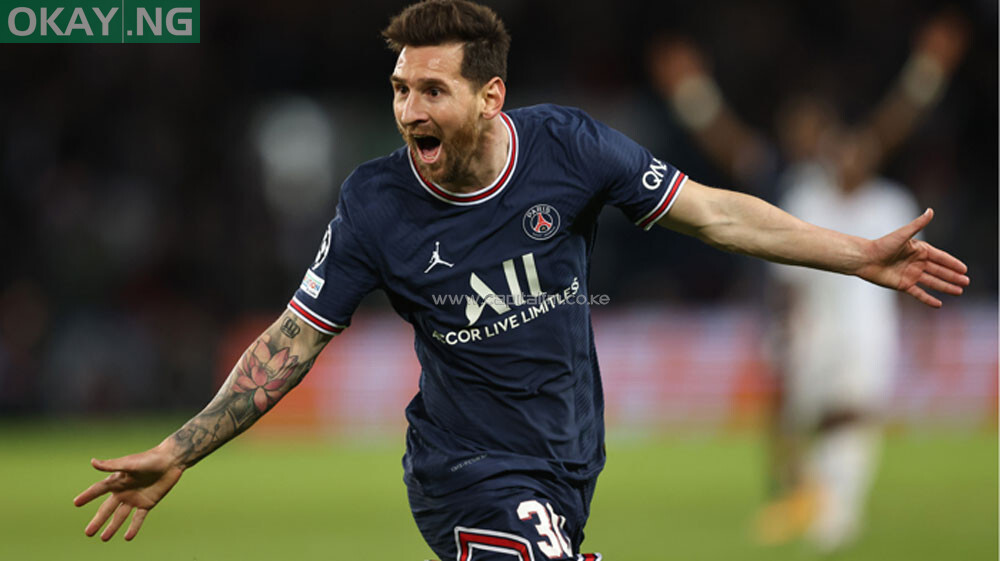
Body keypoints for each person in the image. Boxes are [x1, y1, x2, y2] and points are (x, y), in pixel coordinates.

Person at [74, 1, 970, 559]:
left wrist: (856, 254)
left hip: (569, 463)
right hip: (467, 471)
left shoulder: (570, 149)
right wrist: (180, 448)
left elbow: (717, 213)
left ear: (490, 98)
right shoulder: (374, 202)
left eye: (433, 90)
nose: (409, 110)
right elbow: (291, 339)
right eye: (399, 89)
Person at [648, 11, 968, 551]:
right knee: (788, 416)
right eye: (793, 128)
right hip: (799, 318)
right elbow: (726, 143)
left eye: (809, 128)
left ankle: (828, 506)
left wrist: (928, 70)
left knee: (846, 411)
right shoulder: (787, 182)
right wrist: (690, 94)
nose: (800, 137)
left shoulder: (843, 175)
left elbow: (891, 125)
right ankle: (800, 495)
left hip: (855, 325)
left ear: (828, 134)